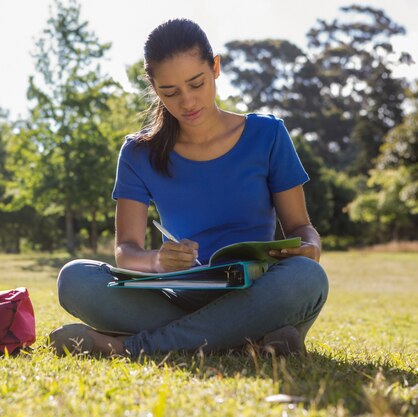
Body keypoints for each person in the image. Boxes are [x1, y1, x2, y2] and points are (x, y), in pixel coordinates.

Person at [49, 18, 328, 357]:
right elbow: (126, 250)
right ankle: (245, 342)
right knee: (76, 279)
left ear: (215, 67)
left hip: (255, 291)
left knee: (305, 277)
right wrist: (157, 262)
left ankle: (130, 347)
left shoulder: (268, 135)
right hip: (180, 295)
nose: (188, 102)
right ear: (155, 89)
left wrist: (310, 248)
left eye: (197, 83)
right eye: (171, 92)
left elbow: (301, 228)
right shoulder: (139, 153)